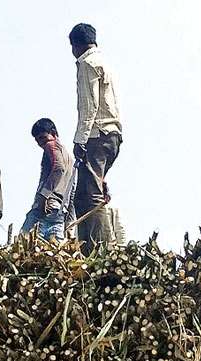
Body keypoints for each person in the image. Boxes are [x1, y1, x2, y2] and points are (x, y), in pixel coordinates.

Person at [68, 22, 123, 254]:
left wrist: (80, 140)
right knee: (89, 191)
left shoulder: (87, 64)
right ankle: (91, 244)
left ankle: (99, 248)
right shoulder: (104, 62)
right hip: (113, 135)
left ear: (76, 45)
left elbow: (89, 105)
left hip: (97, 135)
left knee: (89, 196)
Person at [20, 118, 74, 240]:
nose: (41, 143)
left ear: (53, 133)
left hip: (46, 206)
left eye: (43, 138)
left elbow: (59, 168)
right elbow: (72, 190)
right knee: (54, 247)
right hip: (59, 211)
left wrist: (43, 196)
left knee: (23, 243)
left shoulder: (51, 145)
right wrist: (70, 221)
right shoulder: (69, 157)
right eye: (37, 140)